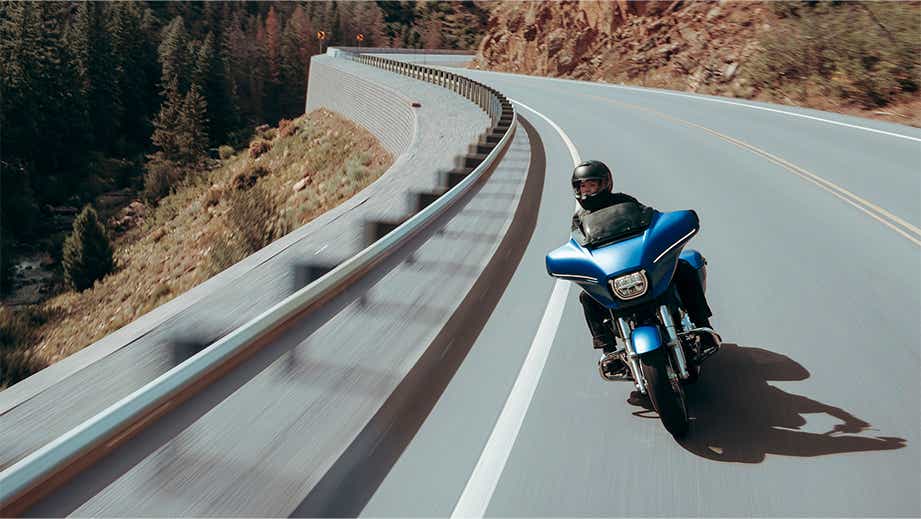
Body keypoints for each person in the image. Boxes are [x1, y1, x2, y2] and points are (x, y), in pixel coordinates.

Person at [570, 160, 713, 377]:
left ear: (605, 184)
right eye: (583, 186)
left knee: (683, 268)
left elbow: (652, 221)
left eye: (592, 185)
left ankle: (703, 326)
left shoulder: (625, 202)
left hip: (639, 266)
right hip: (613, 275)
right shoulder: (579, 220)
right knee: (587, 297)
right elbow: (578, 247)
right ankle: (608, 351)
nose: (588, 190)